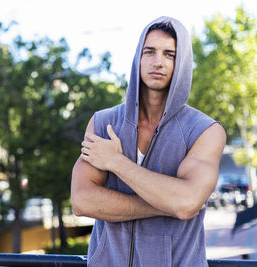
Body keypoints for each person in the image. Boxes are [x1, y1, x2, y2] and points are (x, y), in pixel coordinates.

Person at [71, 16, 226, 267]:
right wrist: (164, 206)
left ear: (182, 63)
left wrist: (115, 162)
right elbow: (81, 201)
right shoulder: (104, 123)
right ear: (138, 58)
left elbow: (186, 203)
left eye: (169, 55)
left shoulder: (204, 130)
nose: (158, 62)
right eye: (150, 51)